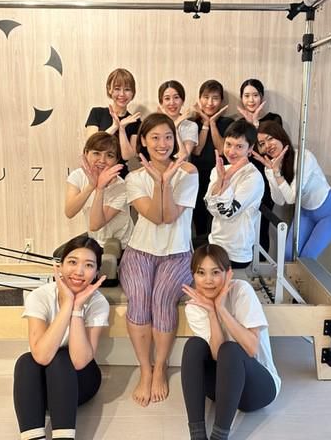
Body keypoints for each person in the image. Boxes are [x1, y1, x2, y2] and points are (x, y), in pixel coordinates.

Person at [119, 113, 199, 407]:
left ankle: (161, 366)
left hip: (177, 254)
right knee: (139, 297)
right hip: (139, 252)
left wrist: (165, 182)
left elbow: (169, 217)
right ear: (143, 141)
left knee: (163, 298)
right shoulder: (134, 178)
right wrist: (158, 182)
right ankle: (145, 368)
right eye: (154, 137)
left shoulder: (188, 172)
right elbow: (153, 216)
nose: (162, 143)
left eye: (167, 137)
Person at [13, 235, 109, 440]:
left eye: (89, 265)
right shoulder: (40, 296)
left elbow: (80, 360)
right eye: (72, 262)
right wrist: (67, 305)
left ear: (96, 273)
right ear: (60, 266)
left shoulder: (98, 303)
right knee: (25, 362)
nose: (79, 271)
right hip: (42, 391)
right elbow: (41, 356)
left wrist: (77, 308)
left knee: (62, 358)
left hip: (80, 382)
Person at [181, 244, 280, 440]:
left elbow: (251, 348)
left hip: (258, 388)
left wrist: (221, 309)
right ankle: (197, 435)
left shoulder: (242, 291)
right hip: (223, 388)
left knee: (231, 350)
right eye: (201, 273)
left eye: (215, 272)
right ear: (193, 275)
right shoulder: (194, 307)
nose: (208, 280)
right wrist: (211, 312)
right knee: (193, 346)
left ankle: (219, 437)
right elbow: (217, 355)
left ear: (228, 274)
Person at [254, 121, 331, 261]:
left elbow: (291, 198)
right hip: (305, 212)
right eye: (262, 143)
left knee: (307, 258)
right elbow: (279, 201)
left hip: (328, 212)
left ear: (280, 136)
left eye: (270, 139)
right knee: (288, 255)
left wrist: (277, 174)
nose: (267, 145)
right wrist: (272, 173)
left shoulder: (304, 157)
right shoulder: (271, 166)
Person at [64, 132, 133, 287]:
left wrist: (99, 188)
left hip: (121, 247)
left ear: (116, 160)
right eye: (96, 153)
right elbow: (70, 212)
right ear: (86, 153)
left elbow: (95, 224)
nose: (102, 160)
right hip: (95, 241)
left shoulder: (122, 187)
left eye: (109, 155)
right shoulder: (77, 176)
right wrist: (91, 186)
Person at [205, 120, 264, 269]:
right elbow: (211, 208)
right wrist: (221, 178)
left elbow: (227, 212)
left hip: (237, 253)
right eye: (228, 144)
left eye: (239, 146)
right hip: (215, 243)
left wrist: (226, 179)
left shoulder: (253, 177)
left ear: (250, 149)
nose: (231, 151)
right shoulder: (218, 170)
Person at [237, 79, 284, 256]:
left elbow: (268, 150)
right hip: (245, 180)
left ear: (262, 97)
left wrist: (255, 125)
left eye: (255, 95)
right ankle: (246, 263)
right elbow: (240, 153)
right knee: (244, 224)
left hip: (267, 179)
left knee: (263, 224)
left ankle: (262, 265)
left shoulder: (273, 120)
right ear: (241, 98)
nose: (251, 100)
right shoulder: (239, 124)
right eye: (247, 96)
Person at [189, 80, 231, 241]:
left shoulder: (228, 123)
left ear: (221, 101)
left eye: (215, 98)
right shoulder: (193, 123)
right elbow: (196, 150)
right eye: (206, 97)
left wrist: (212, 122)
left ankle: (215, 252)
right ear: (200, 99)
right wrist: (205, 124)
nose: (210, 102)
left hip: (220, 178)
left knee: (216, 222)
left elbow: (221, 150)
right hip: (197, 177)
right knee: (199, 219)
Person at [84, 68, 141, 175]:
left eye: (127, 89)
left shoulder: (135, 121)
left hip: (120, 175)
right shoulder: (97, 113)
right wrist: (114, 127)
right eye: (117, 89)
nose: (122, 94)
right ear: (109, 89)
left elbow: (127, 156)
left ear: (133, 92)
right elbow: (90, 145)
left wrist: (122, 129)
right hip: (96, 172)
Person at [158, 80, 197, 159]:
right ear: (161, 102)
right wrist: (175, 124)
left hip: (181, 167)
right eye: (167, 98)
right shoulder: (155, 125)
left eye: (176, 97)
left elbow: (183, 157)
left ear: (182, 101)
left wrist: (174, 126)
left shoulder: (191, 126)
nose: (172, 102)